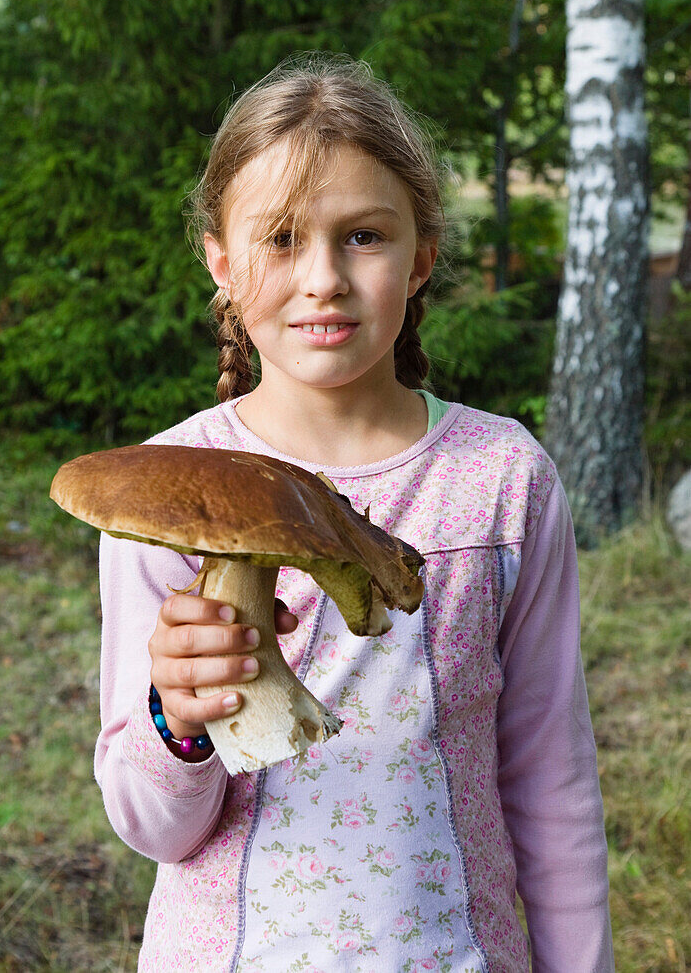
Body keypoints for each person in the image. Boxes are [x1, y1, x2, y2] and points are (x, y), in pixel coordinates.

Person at [94, 52, 614, 972]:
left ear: (421, 258)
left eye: (363, 236)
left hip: (457, 953)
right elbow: (154, 832)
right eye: (281, 238)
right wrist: (175, 717)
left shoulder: (501, 477)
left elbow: (550, 779)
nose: (324, 277)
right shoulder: (167, 493)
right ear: (221, 260)